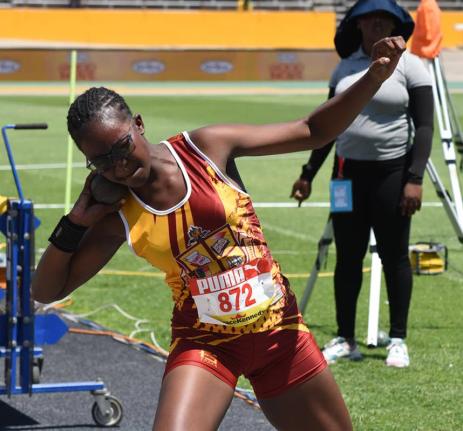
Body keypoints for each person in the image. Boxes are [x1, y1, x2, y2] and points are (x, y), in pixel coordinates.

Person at [32, 35, 405, 431]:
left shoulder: (207, 148)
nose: (119, 166)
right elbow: (46, 290)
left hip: (281, 333)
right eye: (101, 161)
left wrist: (374, 77)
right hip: (206, 345)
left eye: (122, 147)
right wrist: (75, 221)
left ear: (138, 124)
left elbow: (312, 130)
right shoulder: (114, 214)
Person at [291, 0, 434, 369]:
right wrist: (308, 173)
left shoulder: (412, 67)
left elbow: (425, 128)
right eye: (369, 20)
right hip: (346, 176)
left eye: (384, 20)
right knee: (348, 258)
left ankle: (398, 339)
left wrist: (414, 179)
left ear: (395, 26)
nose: (376, 26)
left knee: (395, 256)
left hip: (392, 175)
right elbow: (324, 128)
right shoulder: (345, 69)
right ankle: (345, 338)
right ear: (357, 26)